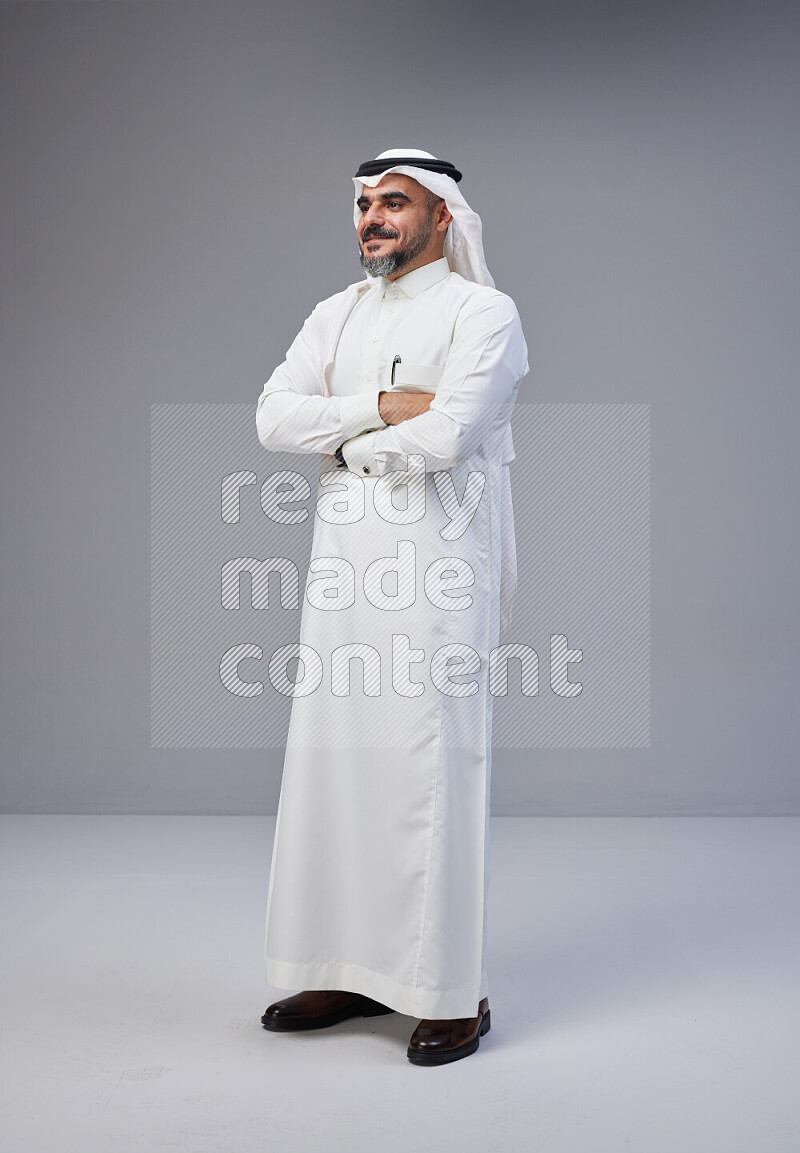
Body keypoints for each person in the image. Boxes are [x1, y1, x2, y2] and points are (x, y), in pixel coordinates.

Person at [255, 148, 529, 1065]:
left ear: (442, 217)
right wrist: (379, 405)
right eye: (367, 203)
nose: (374, 217)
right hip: (345, 571)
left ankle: (450, 990)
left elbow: (453, 432)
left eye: (396, 203)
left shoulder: (485, 313)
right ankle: (341, 967)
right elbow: (271, 416)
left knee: (429, 767)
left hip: (441, 568)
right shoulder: (334, 313)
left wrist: (347, 445)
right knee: (337, 758)